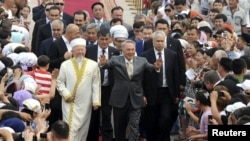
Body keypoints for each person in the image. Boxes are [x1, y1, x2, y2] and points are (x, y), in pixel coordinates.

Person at [99, 40, 162, 141]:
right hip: (119, 99)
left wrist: (156, 67)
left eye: (132, 49)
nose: (130, 52)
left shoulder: (142, 60)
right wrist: (103, 63)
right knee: (120, 127)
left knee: (135, 126)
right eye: (128, 49)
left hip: (136, 98)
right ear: (122, 50)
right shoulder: (115, 59)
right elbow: (107, 65)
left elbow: (152, 68)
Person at [57, 37, 101, 141]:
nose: (80, 52)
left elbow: (96, 84)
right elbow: (59, 82)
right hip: (69, 102)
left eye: (82, 50)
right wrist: (66, 94)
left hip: (85, 103)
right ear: (72, 51)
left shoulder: (93, 65)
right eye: (78, 50)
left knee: (83, 128)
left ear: (85, 50)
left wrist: (96, 101)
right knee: (69, 127)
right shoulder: (65, 65)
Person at [140, 31, 180, 141]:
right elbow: (142, 76)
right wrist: (143, 94)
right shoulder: (145, 55)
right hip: (151, 92)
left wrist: (176, 93)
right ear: (153, 42)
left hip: (167, 91)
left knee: (166, 118)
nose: (160, 43)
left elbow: (175, 74)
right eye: (157, 41)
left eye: (162, 41)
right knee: (152, 119)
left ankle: (164, 138)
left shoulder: (172, 55)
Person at [85, 29, 120, 141]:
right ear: (97, 39)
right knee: (93, 116)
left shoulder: (115, 51)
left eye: (106, 39)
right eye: (102, 39)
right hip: (93, 88)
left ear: (110, 39)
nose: (104, 42)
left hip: (108, 88)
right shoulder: (89, 50)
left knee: (106, 116)